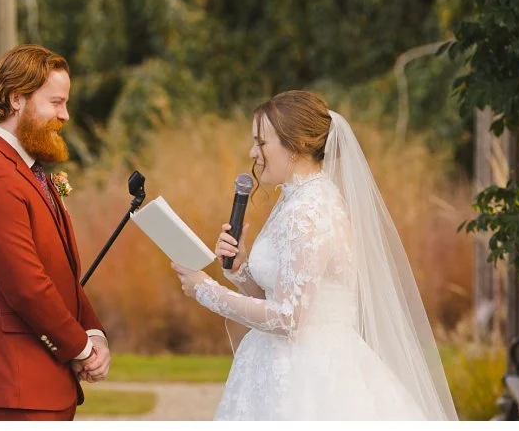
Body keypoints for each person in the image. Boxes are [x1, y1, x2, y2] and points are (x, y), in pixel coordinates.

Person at [171, 90, 457, 419]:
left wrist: (206, 290)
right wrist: (240, 269)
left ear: (296, 145)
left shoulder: (309, 210)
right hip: (281, 365)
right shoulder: (297, 199)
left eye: (261, 143)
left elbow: (288, 317)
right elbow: (276, 297)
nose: (252, 153)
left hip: (308, 378)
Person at [0, 45, 110, 420]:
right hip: (9, 385)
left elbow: (60, 272)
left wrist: (93, 332)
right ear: (16, 99)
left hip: (40, 381)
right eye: (56, 103)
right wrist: (80, 348)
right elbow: (26, 285)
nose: (64, 115)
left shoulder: (27, 168)